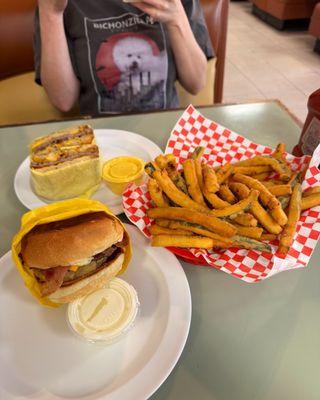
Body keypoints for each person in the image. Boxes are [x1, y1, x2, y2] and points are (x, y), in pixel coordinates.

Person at [34, 0, 214, 115]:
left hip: (166, 130)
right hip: (100, 136)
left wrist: (176, 18)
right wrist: (51, 14)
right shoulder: (60, 5)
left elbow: (196, 83)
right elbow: (63, 100)